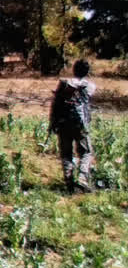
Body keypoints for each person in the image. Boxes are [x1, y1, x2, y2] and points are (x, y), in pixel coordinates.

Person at [49, 59, 97, 193]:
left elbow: (55, 105)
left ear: (73, 70)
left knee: (66, 153)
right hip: (80, 124)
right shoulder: (90, 86)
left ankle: (69, 181)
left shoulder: (64, 84)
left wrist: (52, 123)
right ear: (87, 72)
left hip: (63, 123)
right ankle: (82, 177)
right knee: (86, 152)